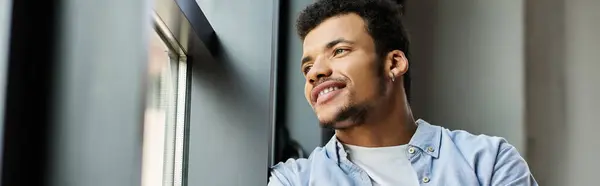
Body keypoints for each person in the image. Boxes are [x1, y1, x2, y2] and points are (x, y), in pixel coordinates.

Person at [268, 0, 538, 185]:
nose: (315, 73)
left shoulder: (488, 163)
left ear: (394, 63)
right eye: (308, 67)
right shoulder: (293, 180)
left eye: (339, 51)